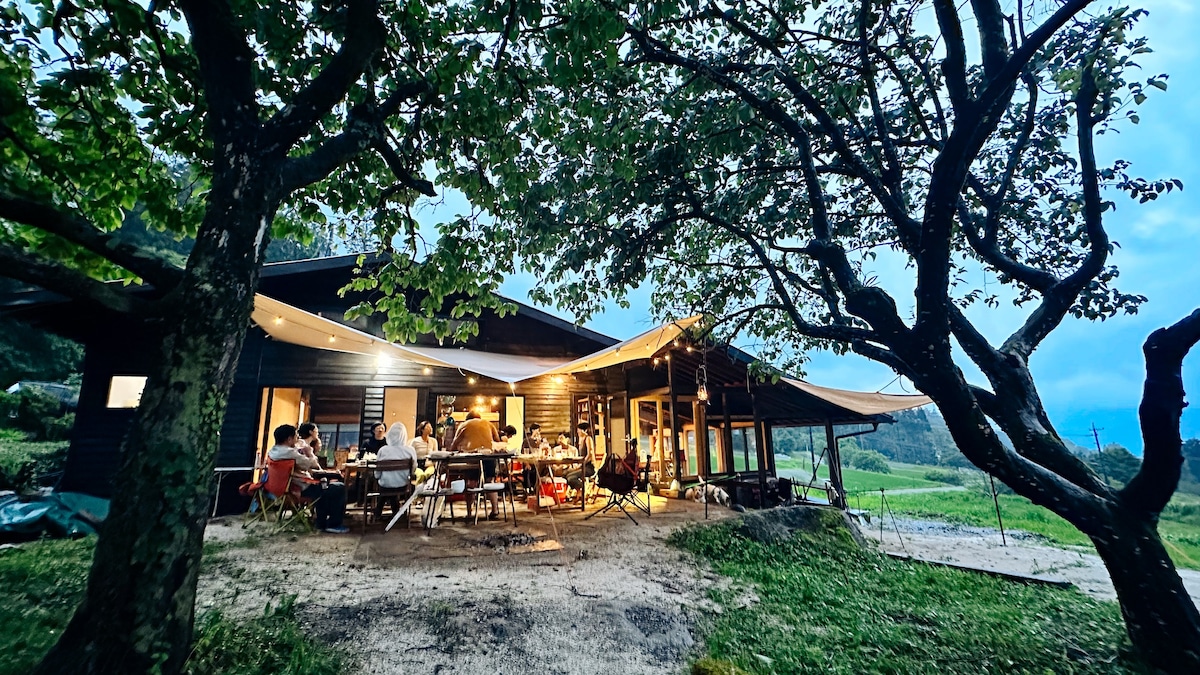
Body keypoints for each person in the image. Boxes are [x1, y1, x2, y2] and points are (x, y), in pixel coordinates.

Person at [268, 423, 349, 533]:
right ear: (289, 439)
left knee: (324, 487)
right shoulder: (290, 453)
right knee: (338, 487)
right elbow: (311, 464)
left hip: (281, 488)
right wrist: (309, 452)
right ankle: (333, 524)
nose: (298, 439)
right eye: (296, 436)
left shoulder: (273, 452)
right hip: (298, 489)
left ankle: (321, 523)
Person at [449, 410, 502, 519]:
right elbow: (497, 441)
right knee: (489, 481)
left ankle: (469, 513)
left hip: (472, 458)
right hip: (488, 456)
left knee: (471, 483)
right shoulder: (488, 423)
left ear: (467, 418)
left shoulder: (464, 425)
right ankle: (495, 510)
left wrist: (453, 450)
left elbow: (455, 443)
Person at [373, 422, 417, 519]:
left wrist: (378, 477)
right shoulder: (410, 450)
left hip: (385, 485)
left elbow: (377, 474)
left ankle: (379, 512)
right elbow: (414, 470)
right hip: (403, 485)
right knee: (393, 486)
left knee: (385, 486)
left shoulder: (383, 450)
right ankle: (396, 513)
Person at [566, 422, 599, 500]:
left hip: (589, 467)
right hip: (582, 465)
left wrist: (582, 464)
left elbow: (590, 454)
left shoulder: (588, 439)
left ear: (584, 430)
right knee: (566, 474)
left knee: (571, 478)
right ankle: (579, 491)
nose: (578, 432)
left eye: (579, 430)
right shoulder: (581, 440)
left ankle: (582, 489)